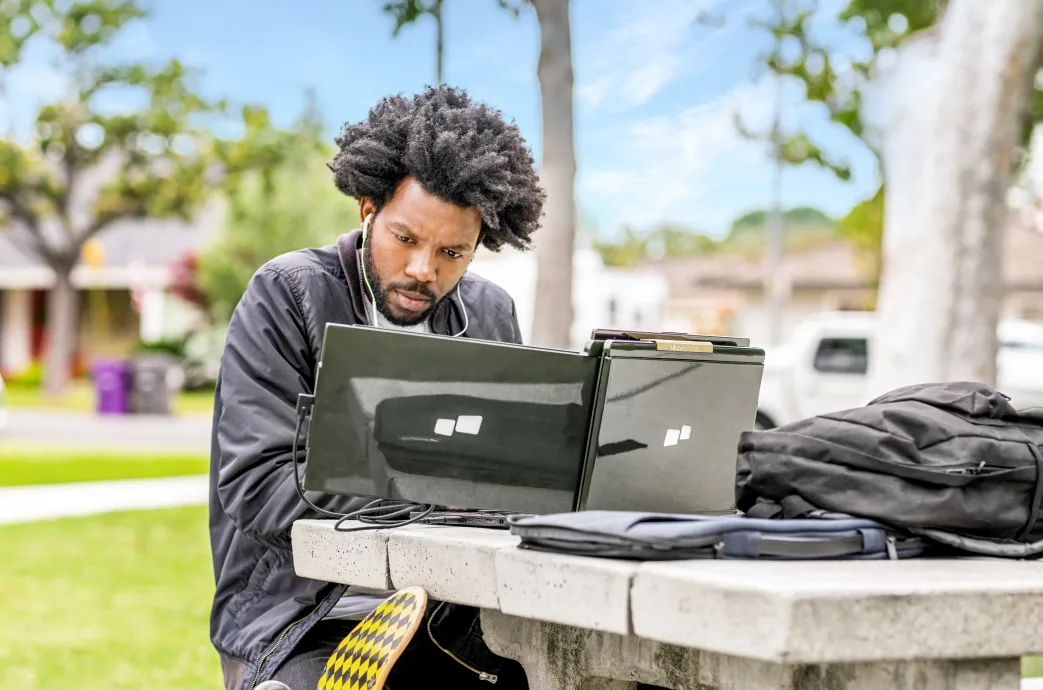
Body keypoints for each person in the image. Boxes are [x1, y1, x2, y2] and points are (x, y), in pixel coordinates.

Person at [208, 85, 545, 690]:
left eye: (451, 252)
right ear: (367, 212)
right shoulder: (289, 294)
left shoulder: (492, 314)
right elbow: (258, 486)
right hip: (304, 621)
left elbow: (513, 477)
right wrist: (434, 500)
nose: (424, 269)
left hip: (452, 618)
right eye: (406, 239)